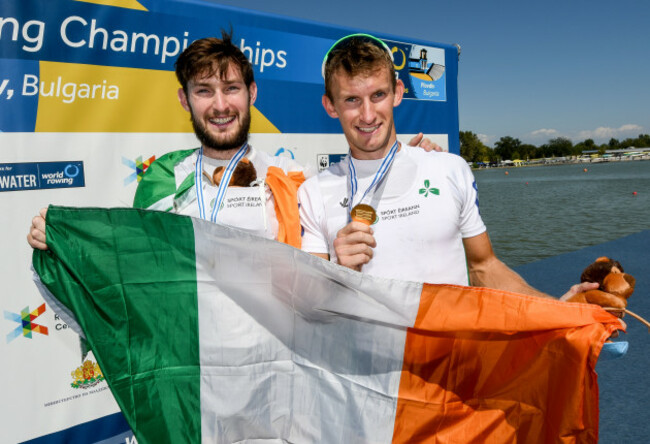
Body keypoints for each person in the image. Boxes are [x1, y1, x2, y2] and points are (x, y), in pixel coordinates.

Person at [27, 30, 439, 250]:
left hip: (272, 362)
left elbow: (328, 238)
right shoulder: (164, 176)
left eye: (231, 89)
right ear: (184, 100)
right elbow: (134, 259)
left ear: (252, 94)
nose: (220, 105)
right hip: (193, 363)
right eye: (204, 90)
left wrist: (405, 158)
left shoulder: (290, 175)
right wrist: (63, 240)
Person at [298, 33, 596, 300]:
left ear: (398, 93)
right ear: (330, 106)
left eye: (378, 95)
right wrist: (336, 271)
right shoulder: (314, 193)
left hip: (456, 360)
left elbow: (484, 267)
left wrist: (559, 311)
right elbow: (309, 307)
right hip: (372, 363)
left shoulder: (450, 169)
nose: (367, 114)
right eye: (351, 99)